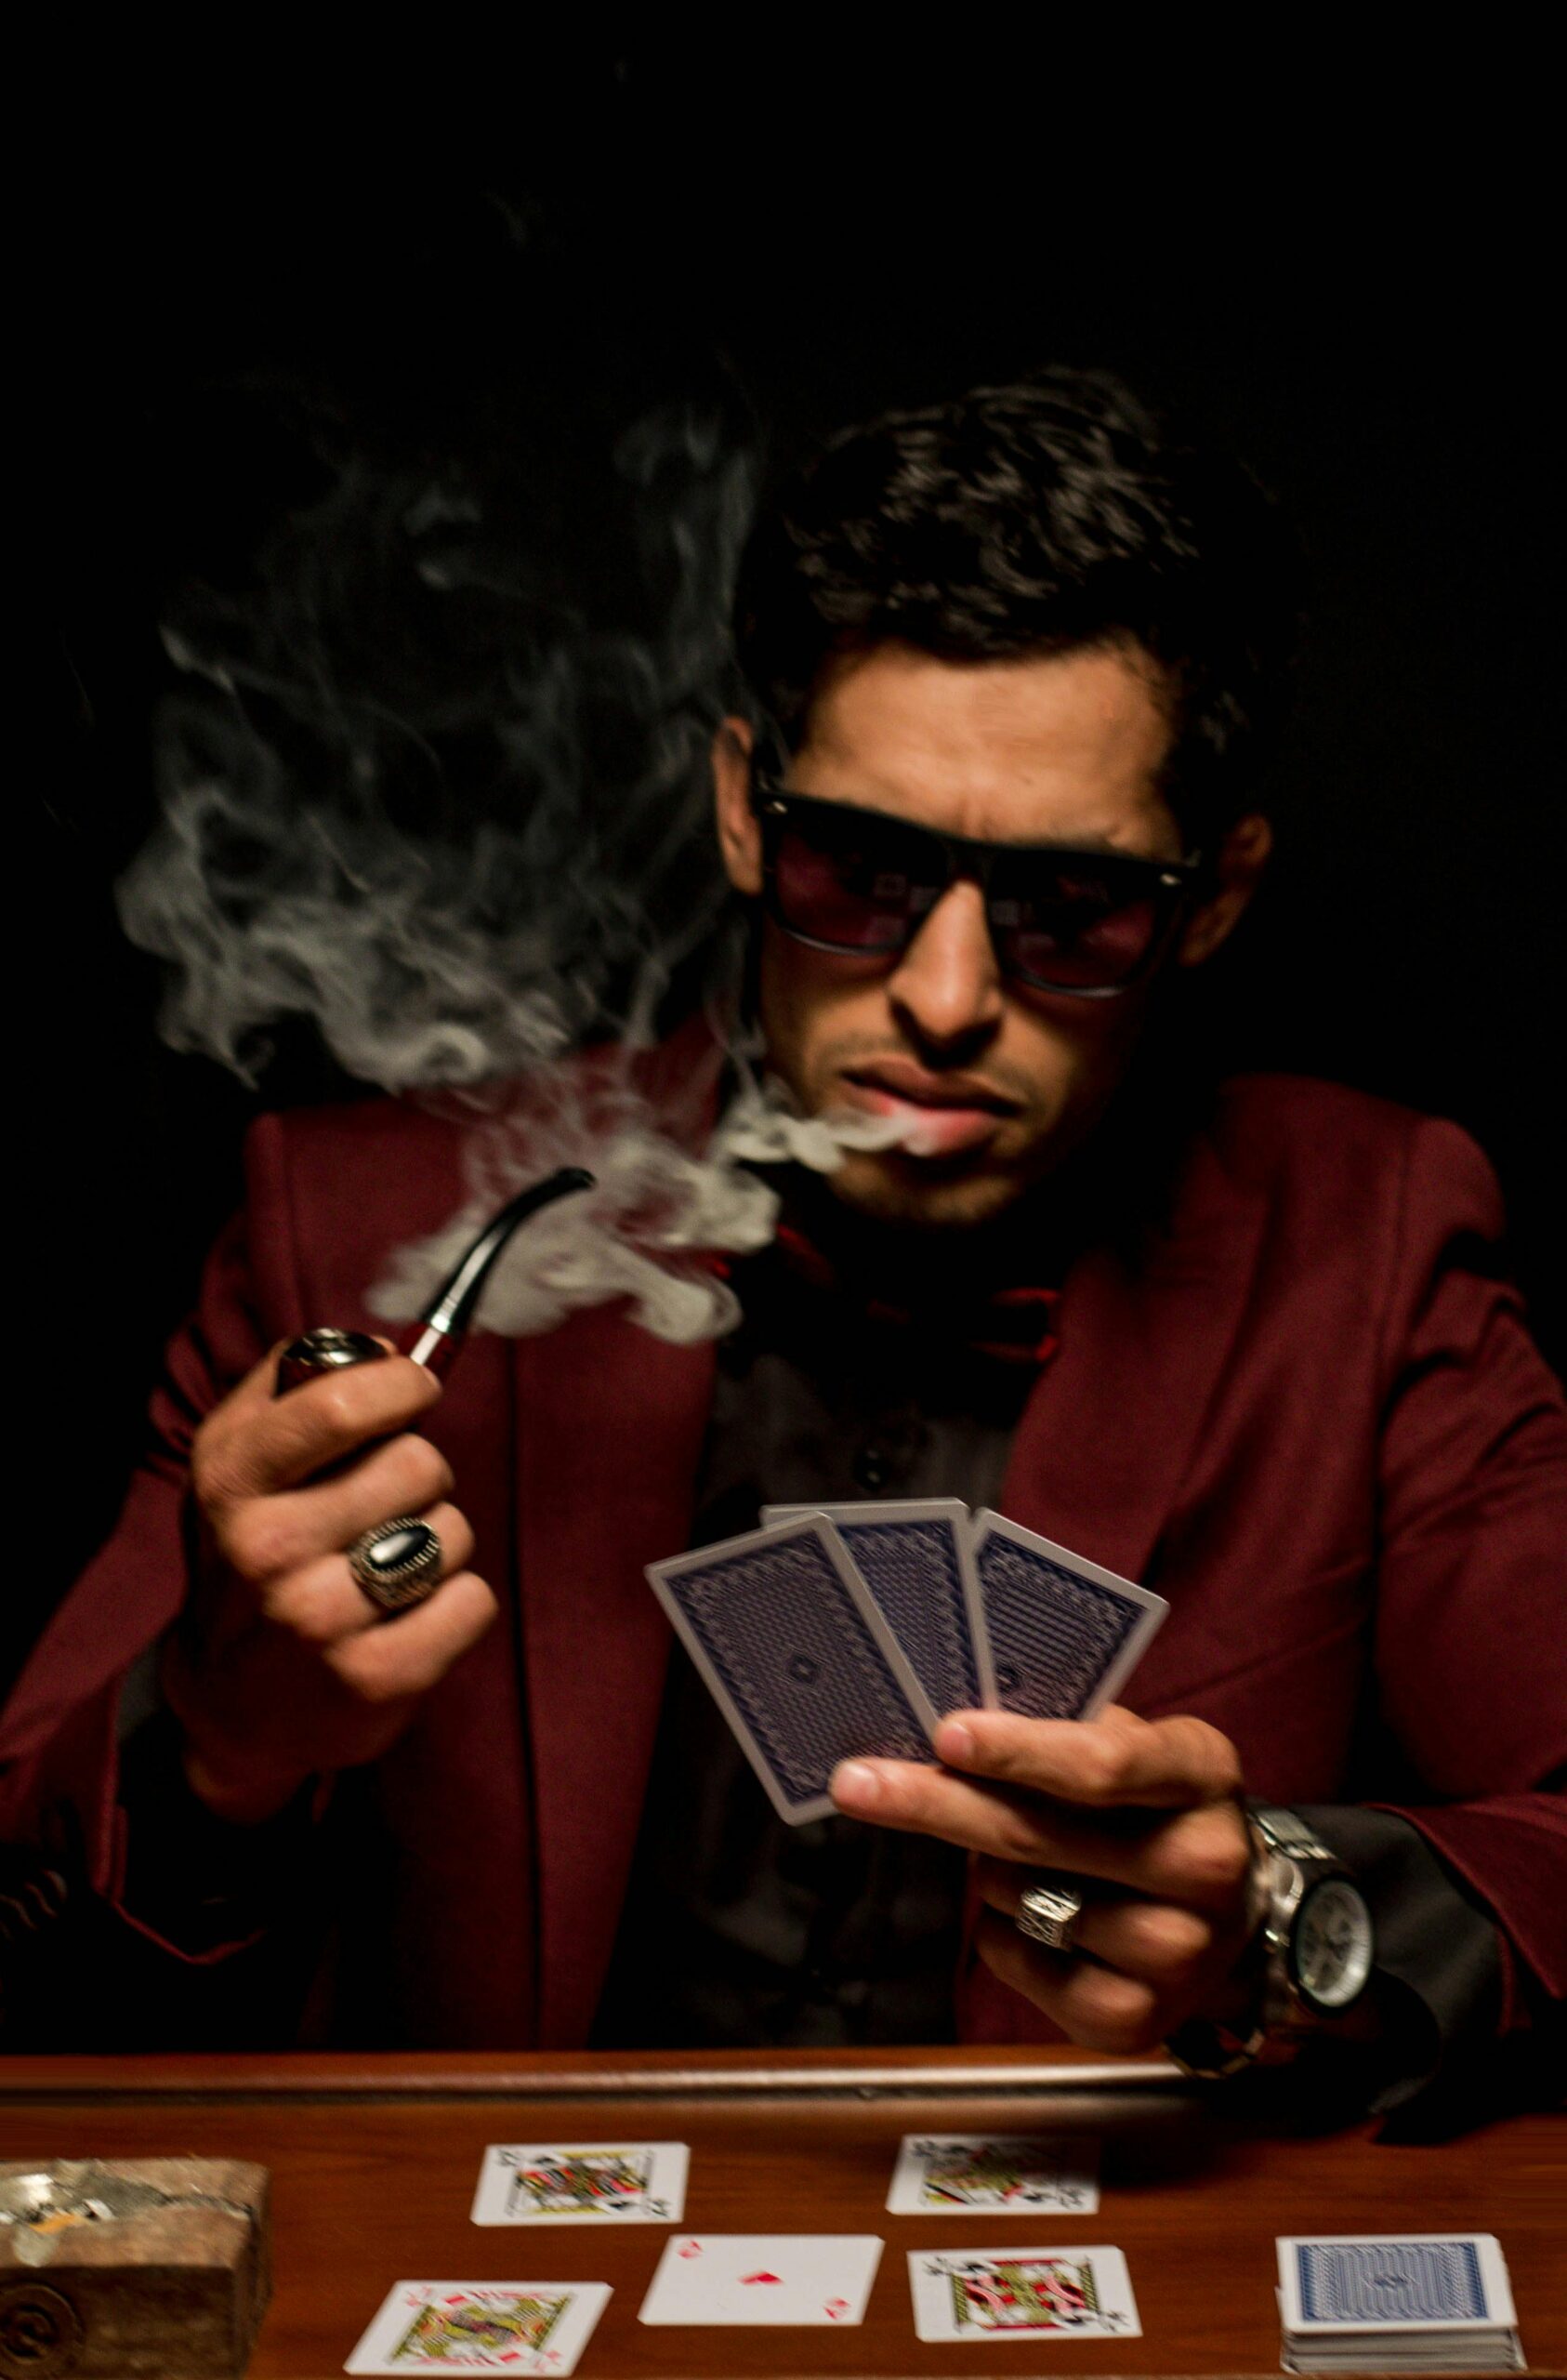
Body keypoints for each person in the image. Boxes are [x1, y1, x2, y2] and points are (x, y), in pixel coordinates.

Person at [2, 370, 1562, 2122]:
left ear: (1210, 901)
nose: (947, 999)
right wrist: (212, 1738)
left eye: (1071, 907)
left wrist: (1280, 1916)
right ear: (746, 810)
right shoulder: (351, 1234)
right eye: (861, 873)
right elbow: (24, 1933)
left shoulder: (1369, 1246)